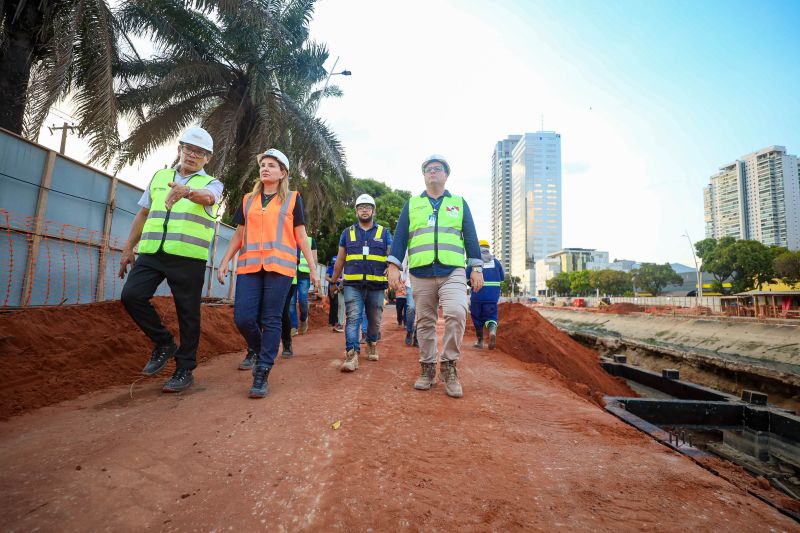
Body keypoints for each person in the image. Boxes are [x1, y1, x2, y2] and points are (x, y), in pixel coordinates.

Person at [119, 127, 222, 393]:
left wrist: (186, 192)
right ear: (180, 149)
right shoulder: (159, 176)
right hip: (152, 253)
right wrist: (128, 248)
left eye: (199, 152)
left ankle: (184, 369)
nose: (192, 155)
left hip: (187, 258)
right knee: (131, 295)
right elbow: (143, 214)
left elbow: (208, 198)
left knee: (188, 314)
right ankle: (164, 342)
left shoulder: (212, 183)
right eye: (188, 148)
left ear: (208, 158)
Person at [217, 148, 318, 398]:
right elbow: (239, 235)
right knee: (243, 317)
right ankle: (261, 349)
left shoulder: (293, 199)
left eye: (272, 165)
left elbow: (301, 236)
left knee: (271, 318)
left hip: (280, 268)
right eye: (263, 164)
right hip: (250, 266)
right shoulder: (247, 200)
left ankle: (262, 370)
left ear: (283, 173)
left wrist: (313, 269)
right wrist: (224, 261)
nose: (265, 168)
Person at [387, 154, 483, 398]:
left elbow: (471, 237)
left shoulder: (459, 203)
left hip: (452, 270)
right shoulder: (412, 204)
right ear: (424, 175)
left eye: (437, 168)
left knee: (458, 312)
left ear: (446, 174)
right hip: (421, 271)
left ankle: (449, 365)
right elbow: (399, 238)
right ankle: (428, 368)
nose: (432, 171)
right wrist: (394, 266)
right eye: (428, 169)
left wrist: (477, 268)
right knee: (425, 322)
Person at [331, 194, 392, 372]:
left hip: (376, 285)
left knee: (374, 320)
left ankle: (372, 343)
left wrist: (392, 267)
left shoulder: (384, 232)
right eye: (360, 207)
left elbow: (392, 255)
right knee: (353, 318)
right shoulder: (347, 233)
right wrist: (334, 282)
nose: (364, 210)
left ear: (373, 210)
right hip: (352, 285)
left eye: (367, 207)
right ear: (356, 211)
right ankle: (352, 354)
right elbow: (340, 259)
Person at [467, 239, 504, 350]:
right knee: (491, 316)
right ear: (488, 249)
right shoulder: (496, 262)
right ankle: (492, 331)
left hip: (478, 295)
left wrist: (471, 283)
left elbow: (467, 278)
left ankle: (480, 341)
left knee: (477, 317)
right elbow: (502, 279)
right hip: (492, 296)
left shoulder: (474, 263)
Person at [289, 235, 317, 335]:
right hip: (291, 275)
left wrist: (314, 273)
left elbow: (314, 259)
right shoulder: (288, 237)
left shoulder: (310, 240)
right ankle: (294, 326)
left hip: (304, 276)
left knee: (302, 300)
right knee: (291, 303)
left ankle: (304, 318)